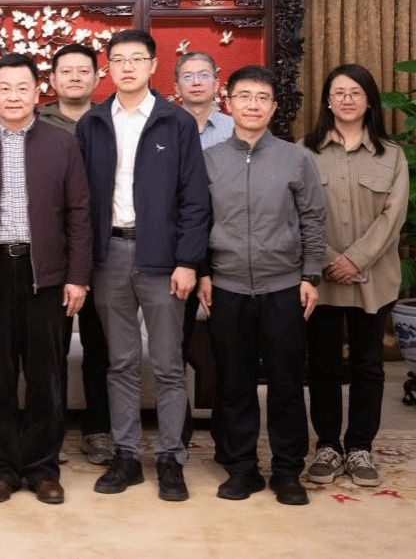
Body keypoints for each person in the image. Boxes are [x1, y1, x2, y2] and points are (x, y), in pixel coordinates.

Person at [76, 30, 210, 502]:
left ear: (153, 66)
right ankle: (127, 455)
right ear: (107, 68)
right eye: (118, 59)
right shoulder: (92, 123)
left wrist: (188, 261)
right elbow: (79, 202)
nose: (127, 67)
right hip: (109, 255)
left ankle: (171, 457)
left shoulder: (176, 122)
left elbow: (195, 200)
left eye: (137, 59)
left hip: (163, 259)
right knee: (120, 362)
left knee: (169, 364)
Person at [0, 53, 92, 505]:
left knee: (45, 377)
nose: (13, 96)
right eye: (5, 88)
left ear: (38, 93)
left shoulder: (62, 144)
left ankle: (42, 468)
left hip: (46, 276)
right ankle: (2, 468)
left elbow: (79, 213)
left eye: (22, 88)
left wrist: (78, 276)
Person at [199, 64, 325, 506]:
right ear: (228, 102)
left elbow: (313, 219)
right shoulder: (210, 160)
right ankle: (242, 468)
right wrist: (203, 272)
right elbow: (197, 221)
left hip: (283, 286)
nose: (253, 105)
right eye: (244, 96)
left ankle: (288, 471)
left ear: (273, 107)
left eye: (262, 98)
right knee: (234, 383)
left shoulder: (296, 159)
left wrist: (310, 275)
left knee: (287, 383)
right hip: (227, 286)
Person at [302, 64, 408, 487]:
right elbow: (297, 212)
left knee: (368, 366)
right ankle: (328, 446)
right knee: (323, 365)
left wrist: (356, 259)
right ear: (327, 101)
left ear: (369, 101)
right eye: (339, 92)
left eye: (356, 92)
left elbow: (393, 216)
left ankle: (361, 446)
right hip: (321, 278)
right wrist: (331, 259)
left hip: (373, 279)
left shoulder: (391, 154)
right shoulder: (304, 152)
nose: (347, 99)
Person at [40, 44, 113, 467]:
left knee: (100, 345)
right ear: (52, 80)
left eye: (82, 71)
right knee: (48, 348)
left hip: (101, 251)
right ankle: (47, 433)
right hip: (50, 253)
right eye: (65, 71)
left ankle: (97, 430)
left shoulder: (110, 121)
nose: (74, 78)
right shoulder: (36, 123)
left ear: (97, 77)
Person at [171, 51, 233, 450]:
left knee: (228, 347)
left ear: (217, 82)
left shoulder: (234, 127)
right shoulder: (162, 128)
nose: (196, 82)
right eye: (188, 76)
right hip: (176, 253)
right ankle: (176, 436)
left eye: (203, 75)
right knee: (173, 348)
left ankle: (229, 440)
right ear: (175, 86)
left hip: (226, 251)